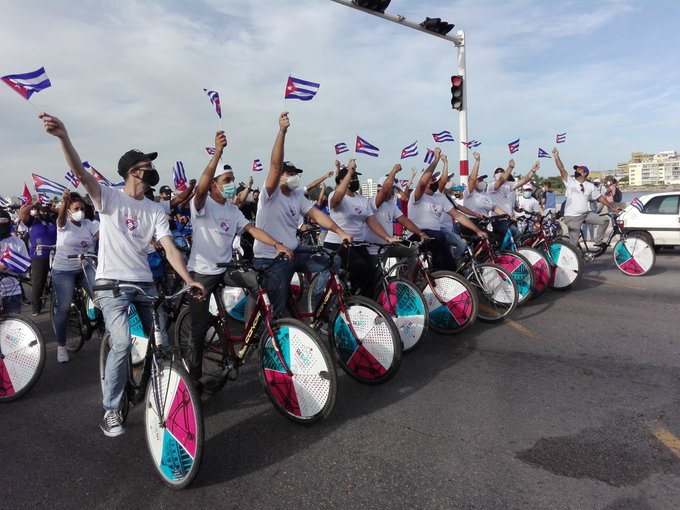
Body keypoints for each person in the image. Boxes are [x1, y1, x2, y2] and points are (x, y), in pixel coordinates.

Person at [39, 111, 204, 438]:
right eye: (148, 166)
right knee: (123, 341)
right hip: (112, 285)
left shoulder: (155, 209)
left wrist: (188, 279)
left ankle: (158, 389)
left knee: (161, 341)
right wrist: (63, 137)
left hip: (144, 284)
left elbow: (169, 248)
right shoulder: (109, 197)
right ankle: (111, 409)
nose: (153, 171)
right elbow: (78, 173)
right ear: (133, 171)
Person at [187, 130, 292, 388]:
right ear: (214, 183)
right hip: (201, 273)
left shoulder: (232, 210)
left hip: (226, 269)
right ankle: (194, 377)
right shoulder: (201, 205)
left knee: (259, 282)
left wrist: (277, 244)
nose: (231, 183)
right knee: (199, 330)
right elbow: (200, 188)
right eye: (226, 179)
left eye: (232, 179)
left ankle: (254, 334)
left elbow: (251, 229)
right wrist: (218, 153)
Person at [253, 112, 351, 317]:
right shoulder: (270, 193)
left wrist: (340, 231)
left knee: (333, 260)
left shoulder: (297, 195)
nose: (295, 177)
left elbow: (317, 214)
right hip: (271, 258)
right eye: (290, 173)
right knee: (279, 313)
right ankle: (272, 339)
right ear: (280, 176)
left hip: (294, 252)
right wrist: (282, 131)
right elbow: (274, 165)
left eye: (296, 174)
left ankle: (317, 305)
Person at [324, 160, 400, 297]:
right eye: (352, 177)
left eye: (356, 177)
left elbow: (371, 220)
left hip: (357, 243)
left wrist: (387, 237)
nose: (355, 180)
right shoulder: (334, 196)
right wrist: (349, 172)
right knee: (360, 266)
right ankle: (352, 297)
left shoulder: (362, 199)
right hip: (337, 243)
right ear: (341, 180)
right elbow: (336, 199)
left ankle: (366, 303)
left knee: (371, 269)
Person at [408, 148, 488, 271]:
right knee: (441, 238)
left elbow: (458, 215)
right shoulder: (417, 195)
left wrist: (477, 230)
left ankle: (454, 274)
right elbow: (422, 183)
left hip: (436, 235)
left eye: (435, 179)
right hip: (417, 234)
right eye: (431, 179)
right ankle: (437, 275)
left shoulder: (439, 197)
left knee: (451, 260)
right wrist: (436, 160)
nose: (434, 181)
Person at [51, 189, 99, 363]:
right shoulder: (64, 225)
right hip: (63, 271)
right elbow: (61, 218)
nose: (80, 211)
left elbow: (104, 234)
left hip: (85, 267)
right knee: (63, 308)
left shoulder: (89, 224)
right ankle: (62, 345)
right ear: (70, 210)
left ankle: (101, 327)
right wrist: (64, 203)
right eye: (76, 208)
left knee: (101, 296)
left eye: (82, 208)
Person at [364, 164, 430, 278]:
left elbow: (404, 220)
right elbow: (385, 191)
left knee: (414, 248)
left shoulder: (391, 204)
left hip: (390, 243)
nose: (393, 192)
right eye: (392, 189)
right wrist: (394, 170)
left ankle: (409, 283)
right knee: (377, 281)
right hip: (375, 248)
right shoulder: (373, 202)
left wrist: (421, 233)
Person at [552, 147, 621, 247]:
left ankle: (598, 242)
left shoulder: (590, 186)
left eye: (579, 170)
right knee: (573, 245)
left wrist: (612, 208)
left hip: (586, 215)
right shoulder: (570, 182)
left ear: (585, 173)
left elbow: (600, 198)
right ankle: (568, 260)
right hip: (572, 217)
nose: (576, 171)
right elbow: (561, 169)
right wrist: (556, 157)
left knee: (605, 220)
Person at [487, 158, 540, 243]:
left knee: (511, 241)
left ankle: (509, 254)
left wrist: (532, 171)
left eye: (502, 171)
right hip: (498, 219)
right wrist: (510, 167)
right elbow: (500, 181)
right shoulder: (491, 185)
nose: (500, 172)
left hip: (511, 219)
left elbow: (524, 180)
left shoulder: (509, 185)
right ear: (494, 176)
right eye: (497, 171)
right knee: (516, 233)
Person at [18, 202, 57, 316]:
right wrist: (34, 205)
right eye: (43, 211)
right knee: (38, 282)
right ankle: (36, 307)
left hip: (54, 254)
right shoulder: (33, 221)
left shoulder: (52, 219)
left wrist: (52, 209)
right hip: (39, 255)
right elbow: (22, 214)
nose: (45, 213)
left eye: (47, 211)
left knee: (57, 281)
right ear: (38, 211)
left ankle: (57, 305)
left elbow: (63, 213)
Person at [0, 209, 30, 314]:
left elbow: (25, 267)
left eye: (4, 224)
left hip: (13, 291)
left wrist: (10, 264)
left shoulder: (18, 242)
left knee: (14, 325)